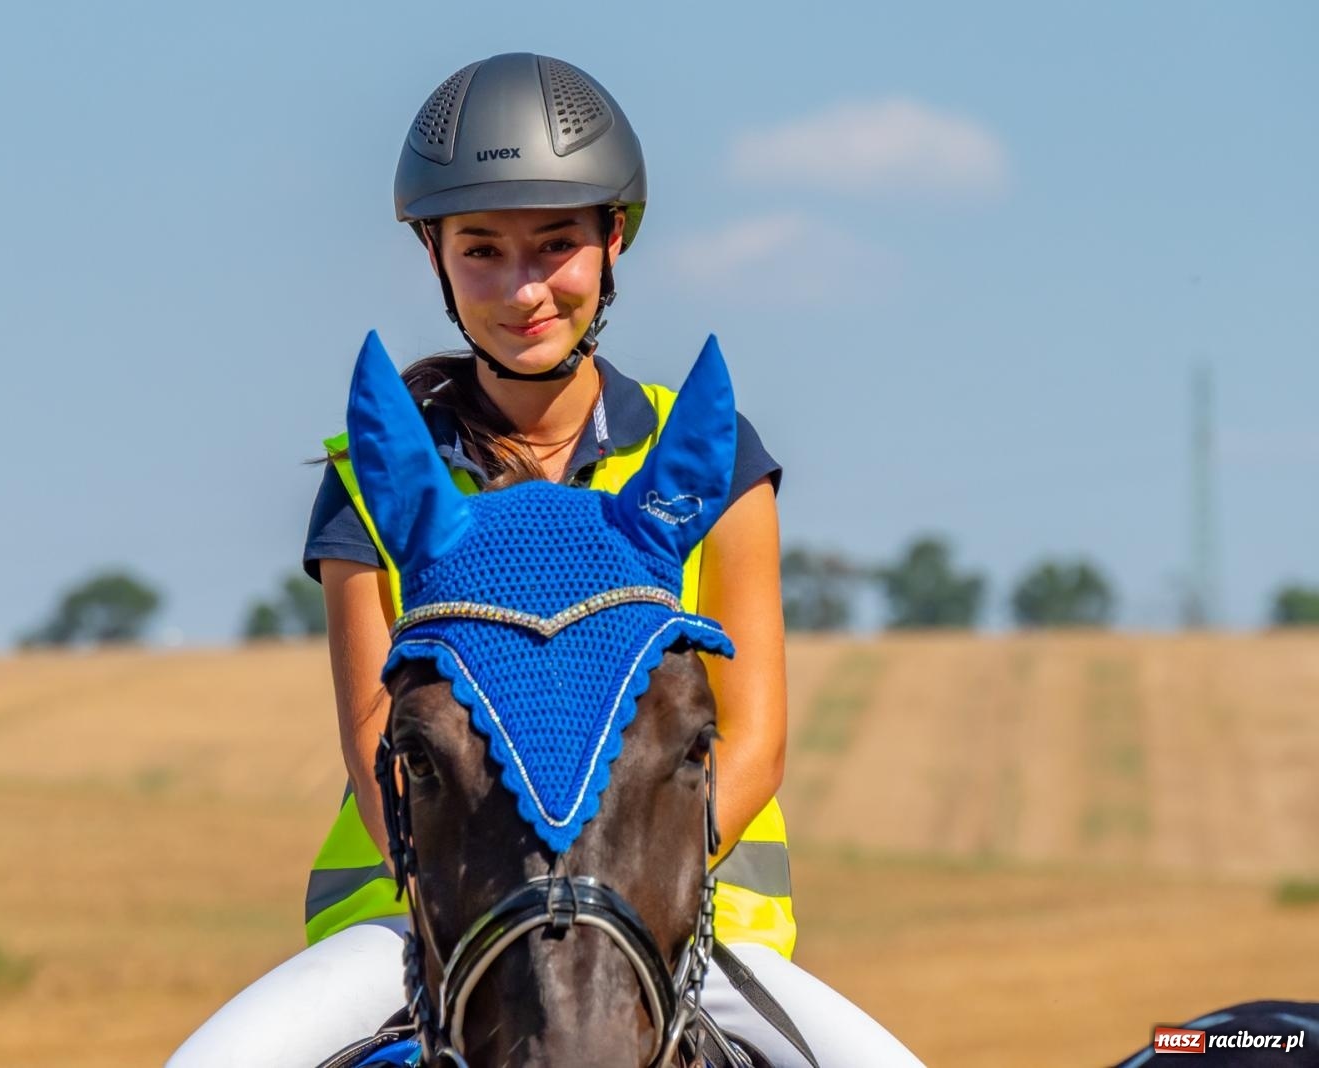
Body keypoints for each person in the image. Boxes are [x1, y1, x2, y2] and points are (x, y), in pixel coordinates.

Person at [169, 52, 923, 1067]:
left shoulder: (707, 456)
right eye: (482, 250)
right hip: (424, 929)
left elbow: (755, 737)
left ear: (613, 241)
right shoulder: (372, 481)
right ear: (434, 256)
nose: (522, 289)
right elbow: (371, 743)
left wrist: (621, 895)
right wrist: (518, 903)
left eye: (556, 245)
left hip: (679, 928)